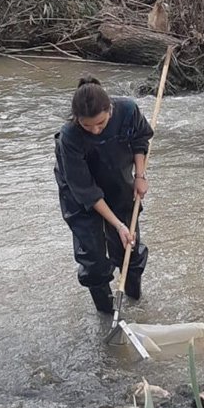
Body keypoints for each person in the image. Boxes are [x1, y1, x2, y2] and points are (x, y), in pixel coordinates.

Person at [54, 76, 153, 314]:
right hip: (79, 194)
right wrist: (118, 225)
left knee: (129, 247)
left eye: (100, 123)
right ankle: (107, 314)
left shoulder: (127, 110)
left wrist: (140, 176)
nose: (95, 131)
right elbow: (86, 191)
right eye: (87, 126)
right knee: (94, 258)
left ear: (110, 109)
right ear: (77, 119)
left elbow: (140, 139)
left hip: (117, 180)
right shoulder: (69, 137)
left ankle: (134, 302)